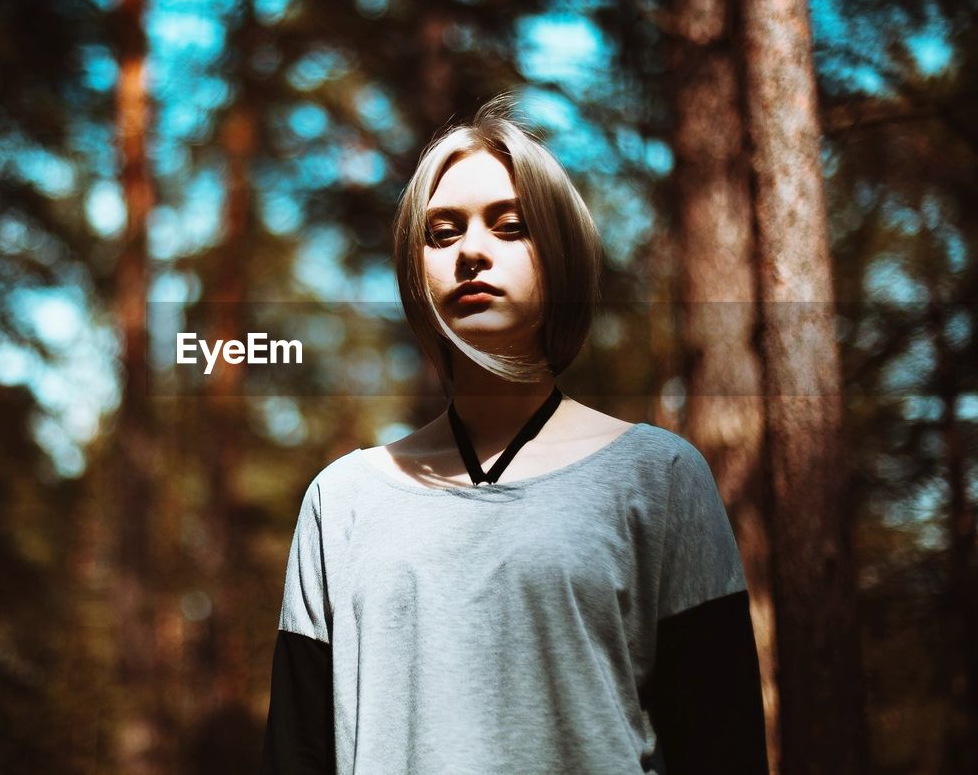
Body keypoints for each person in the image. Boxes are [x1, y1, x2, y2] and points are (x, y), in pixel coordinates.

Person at [259, 97, 769, 774]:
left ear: (558, 255)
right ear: (418, 272)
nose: (472, 251)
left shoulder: (661, 478)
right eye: (442, 232)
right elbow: (295, 755)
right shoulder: (341, 502)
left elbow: (723, 747)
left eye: (510, 226)